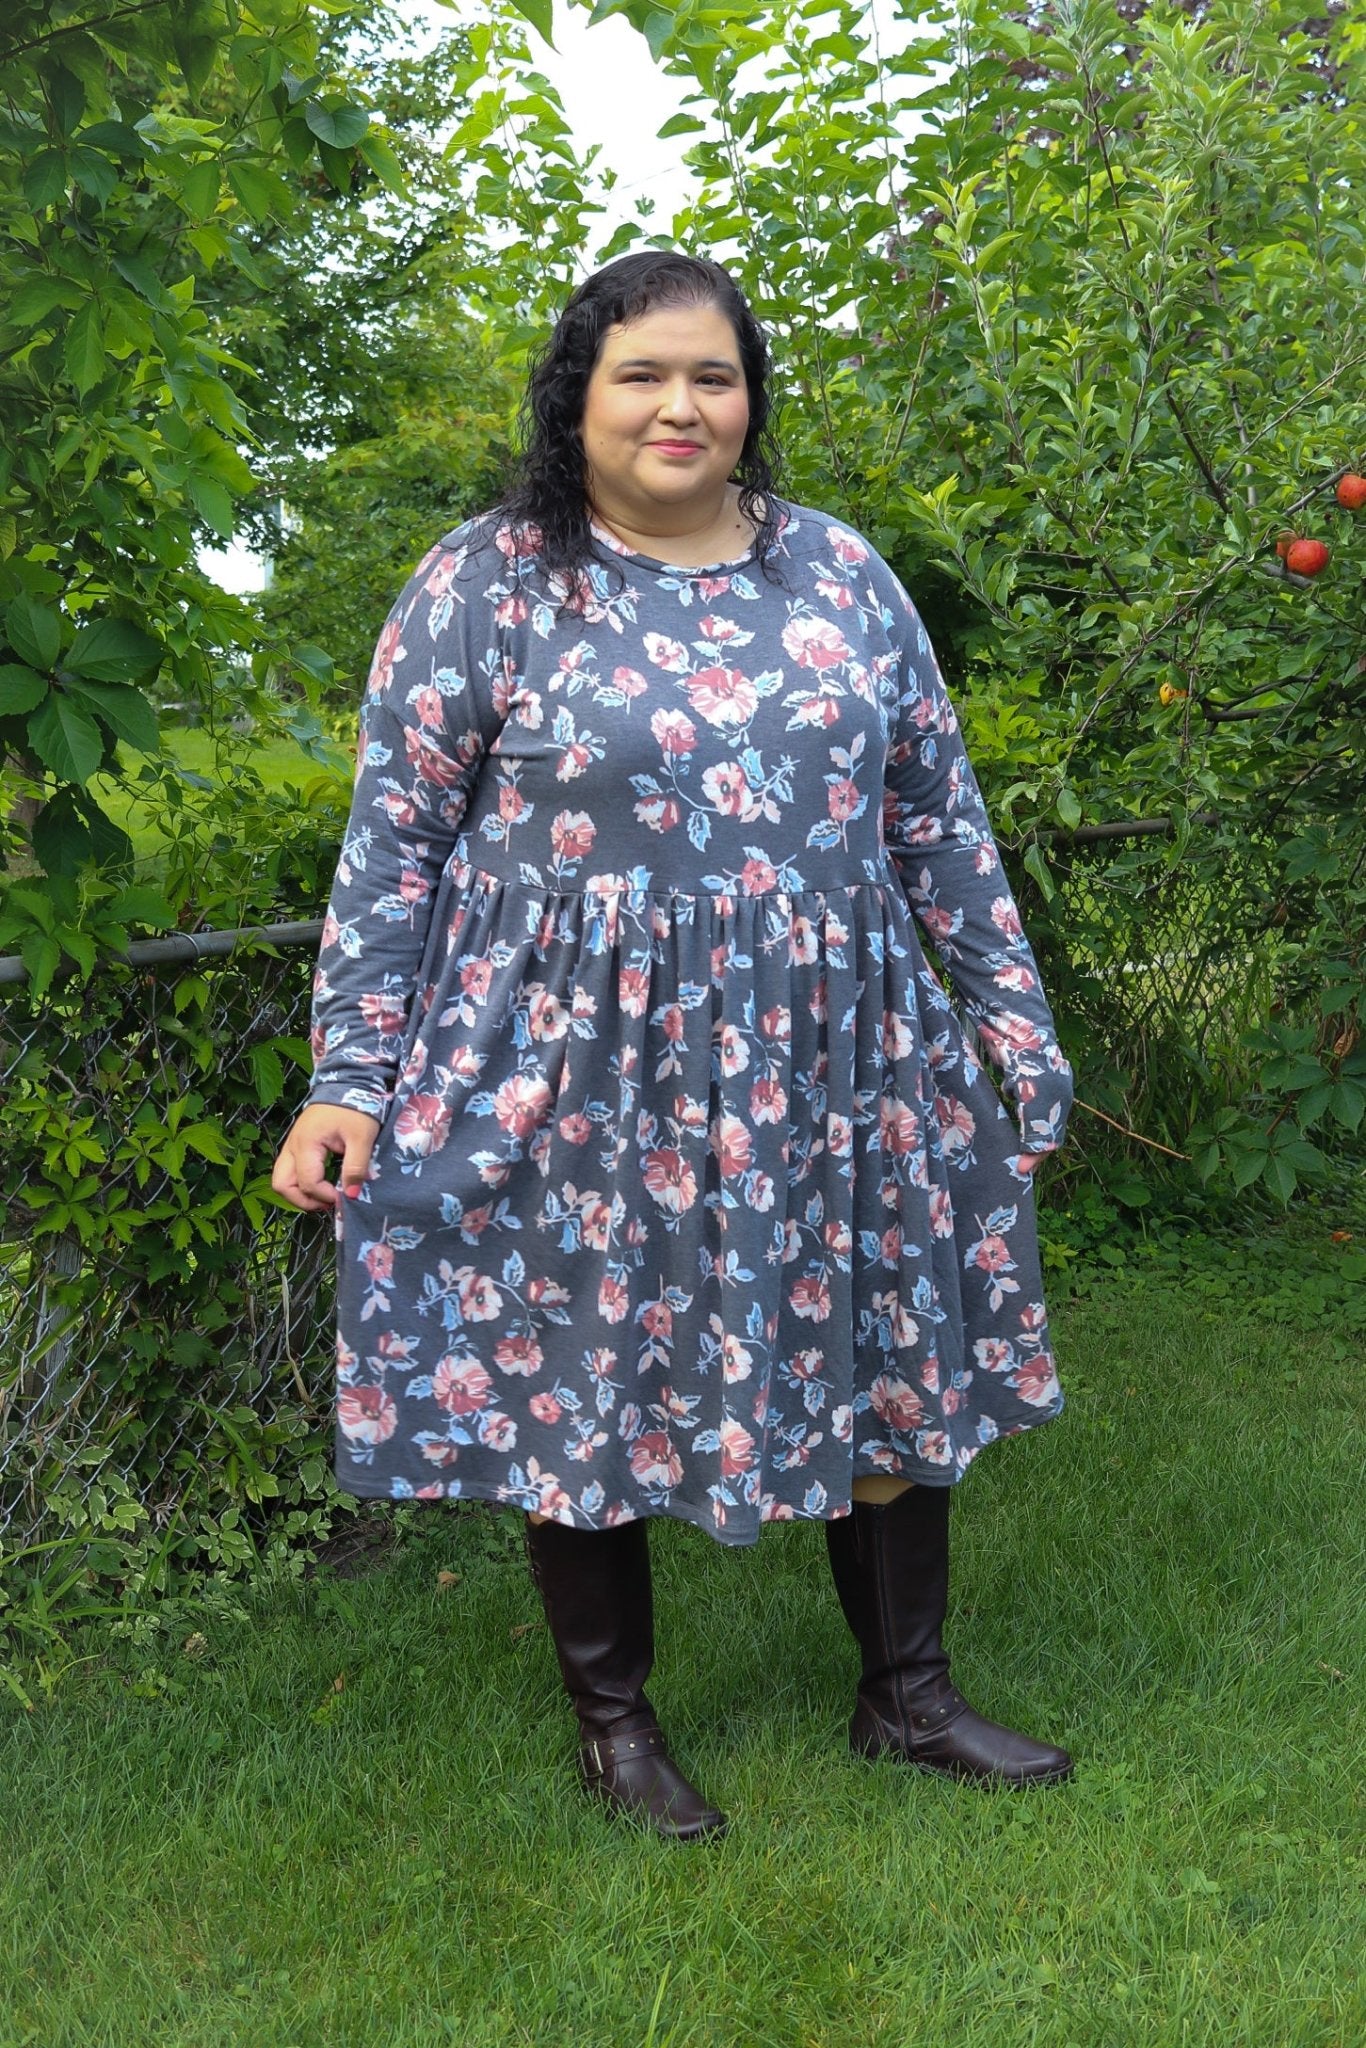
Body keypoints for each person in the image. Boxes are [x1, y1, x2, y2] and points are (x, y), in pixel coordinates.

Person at [272, 251, 1076, 1843]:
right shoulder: (490, 583)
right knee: (584, 1368)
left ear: (750, 400)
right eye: (640, 373)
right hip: (578, 1066)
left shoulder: (839, 573)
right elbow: (393, 846)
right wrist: (350, 1077)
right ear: (575, 396)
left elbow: (936, 816)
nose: (678, 406)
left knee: (878, 1343)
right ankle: (614, 1723)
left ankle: (907, 1697)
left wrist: (1010, 1022)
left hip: (838, 1054)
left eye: (713, 375)